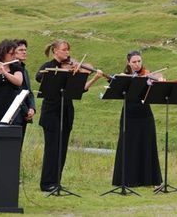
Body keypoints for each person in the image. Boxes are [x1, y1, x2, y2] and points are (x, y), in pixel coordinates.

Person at [35, 39, 103, 192]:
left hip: (66, 112)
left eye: (68, 50)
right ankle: (46, 183)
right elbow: (39, 77)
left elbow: (80, 89)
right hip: (51, 113)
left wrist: (94, 78)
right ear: (55, 51)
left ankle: (56, 181)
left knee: (62, 149)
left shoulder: (73, 68)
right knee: (52, 149)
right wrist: (64, 71)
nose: (68, 53)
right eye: (64, 50)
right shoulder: (49, 66)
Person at [112, 50, 163, 187]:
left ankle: (149, 180)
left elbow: (155, 85)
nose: (137, 64)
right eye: (134, 62)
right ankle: (128, 180)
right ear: (128, 63)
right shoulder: (125, 77)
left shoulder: (147, 74)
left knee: (147, 144)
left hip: (145, 114)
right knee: (129, 146)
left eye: (139, 61)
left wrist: (157, 81)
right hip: (129, 114)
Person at [14, 39, 36, 147]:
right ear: (13, 52)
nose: (24, 52)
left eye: (25, 50)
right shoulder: (12, 70)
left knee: (19, 147)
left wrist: (32, 108)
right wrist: (26, 111)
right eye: (21, 50)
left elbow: (29, 91)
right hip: (15, 115)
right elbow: (15, 93)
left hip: (24, 114)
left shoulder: (24, 70)